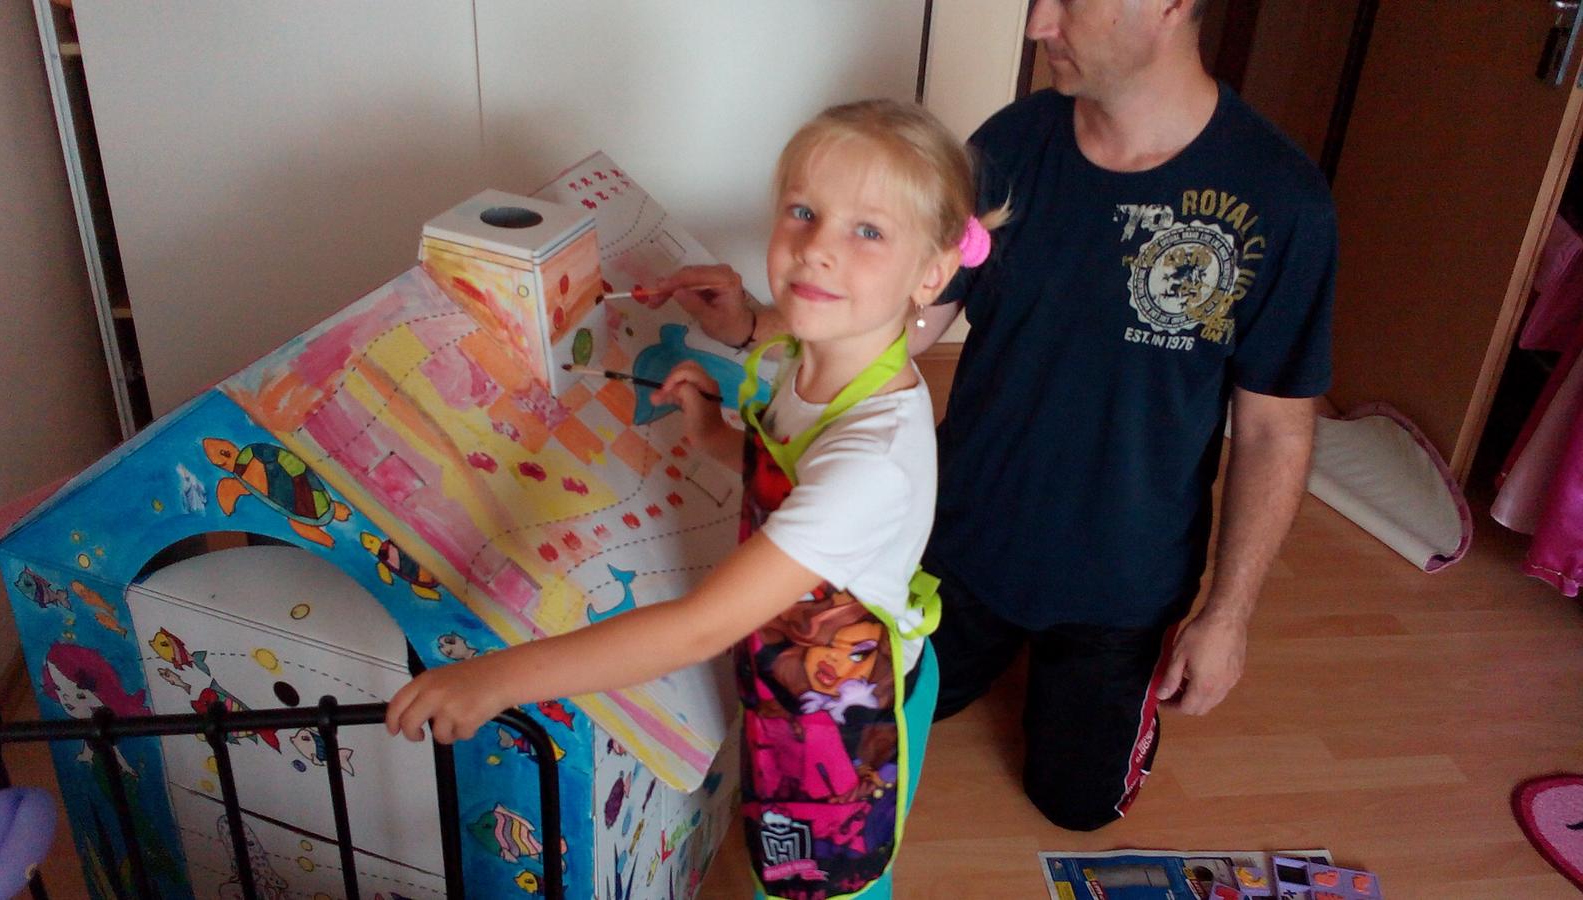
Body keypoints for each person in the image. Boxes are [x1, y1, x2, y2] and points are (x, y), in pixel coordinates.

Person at [653, 0, 1336, 832]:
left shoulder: (1281, 199)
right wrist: (756, 324)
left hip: (1121, 583)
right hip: (964, 541)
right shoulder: (1011, 144)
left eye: (1067, 0)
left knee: (1076, 807)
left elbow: (1273, 429)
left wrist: (1228, 617)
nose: (1038, 23)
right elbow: (902, 324)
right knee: (891, 708)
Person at [387, 98, 1007, 897]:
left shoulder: (874, 462)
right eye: (803, 212)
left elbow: (701, 627)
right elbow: (790, 467)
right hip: (800, 682)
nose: (817, 249)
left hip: (848, 731)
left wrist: (494, 680)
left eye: (868, 231)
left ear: (933, 274)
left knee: (819, 882)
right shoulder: (821, 350)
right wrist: (718, 434)